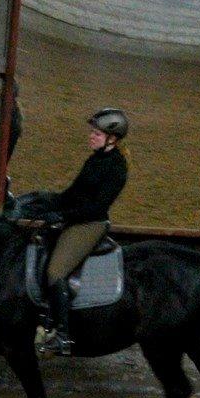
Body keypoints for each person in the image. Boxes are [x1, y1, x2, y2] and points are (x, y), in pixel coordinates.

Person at [32, 107, 129, 356]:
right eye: (93, 132)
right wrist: (46, 202)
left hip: (91, 224)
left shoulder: (117, 167)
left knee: (55, 272)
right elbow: (73, 194)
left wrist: (62, 216)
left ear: (112, 138)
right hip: (76, 218)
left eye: (96, 133)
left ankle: (63, 336)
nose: (91, 136)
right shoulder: (94, 159)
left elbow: (97, 207)